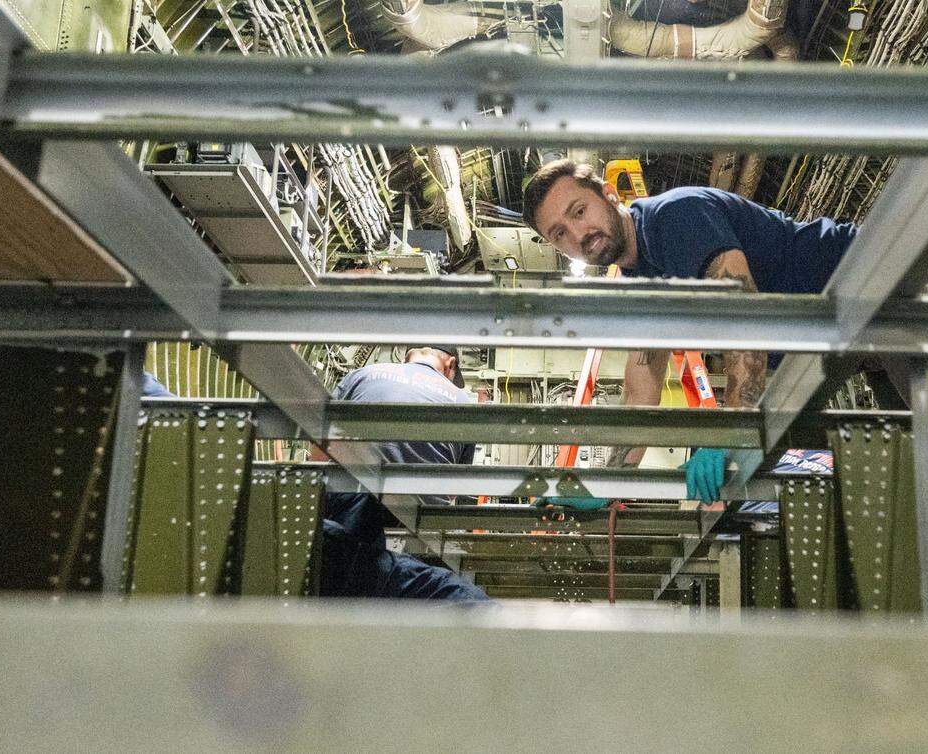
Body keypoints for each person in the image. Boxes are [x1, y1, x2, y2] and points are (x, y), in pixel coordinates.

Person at [523, 158, 878, 503]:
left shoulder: (675, 217)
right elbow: (640, 393)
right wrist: (605, 484)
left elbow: (746, 319)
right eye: (560, 234)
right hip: (859, 341)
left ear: (609, 195)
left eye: (579, 211)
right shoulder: (642, 288)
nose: (579, 234)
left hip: (872, 280)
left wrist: (730, 436)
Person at [317, 346, 490, 602]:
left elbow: (318, 454)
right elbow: (453, 489)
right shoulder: (462, 401)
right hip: (423, 523)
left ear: (406, 356)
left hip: (349, 511)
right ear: (450, 365)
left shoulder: (362, 375)